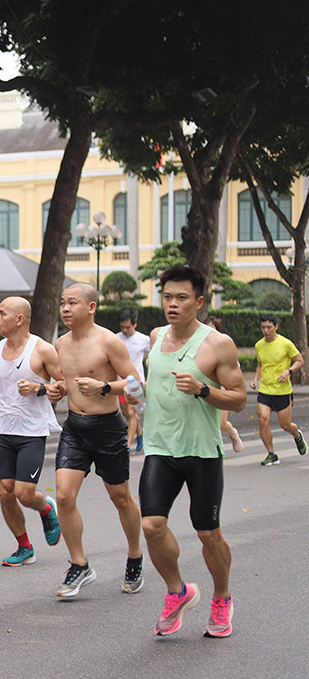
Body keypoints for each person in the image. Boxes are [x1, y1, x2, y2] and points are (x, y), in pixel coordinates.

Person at [138, 265, 246, 637]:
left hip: (201, 451)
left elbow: (239, 400)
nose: (172, 304)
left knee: (207, 533)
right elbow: (150, 386)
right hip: (159, 448)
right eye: (167, 296)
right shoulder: (155, 337)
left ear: (199, 302)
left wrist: (203, 390)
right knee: (151, 525)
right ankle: (177, 592)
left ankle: (221, 598)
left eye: (182, 297)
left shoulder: (218, 344)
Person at [48, 282, 144, 598]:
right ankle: (79, 564)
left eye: (72, 302)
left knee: (120, 497)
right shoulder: (59, 344)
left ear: (91, 307)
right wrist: (56, 390)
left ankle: (134, 555)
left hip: (108, 429)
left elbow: (137, 385)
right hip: (75, 428)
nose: (65, 308)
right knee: (63, 497)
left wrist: (104, 387)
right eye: (63, 303)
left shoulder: (109, 342)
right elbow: (63, 383)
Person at [0, 297, 63, 567]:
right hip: (4, 429)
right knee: (5, 492)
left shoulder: (43, 350)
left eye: (2, 314)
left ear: (20, 319)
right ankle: (24, 547)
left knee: (25, 493)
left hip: (32, 431)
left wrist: (39, 388)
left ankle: (46, 507)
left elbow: (64, 385)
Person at [250, 312, 305, 466]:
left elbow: (300, 360)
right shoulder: (259, 345)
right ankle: (271, 453)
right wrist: (255, 379)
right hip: (265, 389)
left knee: (285, 425)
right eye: (263, 327)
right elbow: (261, 365)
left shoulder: (286, 344)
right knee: (262, 419)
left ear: (276, 327)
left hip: (282, 391)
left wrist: (289, 372)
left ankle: (297, 435)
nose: (265, 330)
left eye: (269, 327)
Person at [205, 316, 243, 453]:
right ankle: (215, 448)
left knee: (221, 423)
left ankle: (233, 433)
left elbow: (234, 372)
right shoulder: (197, 347)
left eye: (213, 330)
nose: (209, 333)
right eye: (207, 329)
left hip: (222, 390)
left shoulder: (225, 348)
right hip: (204, 389)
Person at [116, 308, 150, 454]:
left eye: (127, 327)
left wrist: (148, 361)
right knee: (126, 413)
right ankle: (140, 434)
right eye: (122, 327)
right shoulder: (116, 339)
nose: (124, 330)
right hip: (120, 382)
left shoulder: (144, 339)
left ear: (135, 324)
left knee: (131, 411)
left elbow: (150, 354)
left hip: (136, 382)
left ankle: (128, 445)